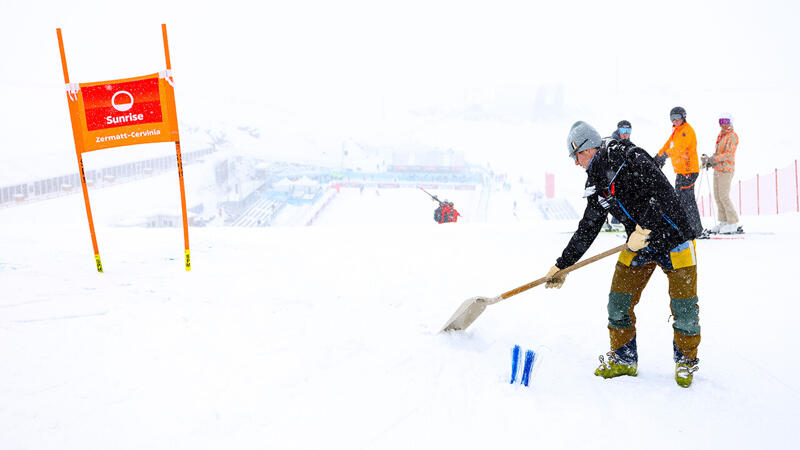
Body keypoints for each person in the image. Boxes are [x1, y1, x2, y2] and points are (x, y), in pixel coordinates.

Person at [545, 121, 701, 388]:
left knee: (684, 308)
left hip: (673, 238)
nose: (575, 163)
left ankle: (686, 361)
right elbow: (588, 227)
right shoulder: (596, 183)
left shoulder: (629, 158)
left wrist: (646, 226)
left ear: (588, 148)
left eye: (576, 156)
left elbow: (663, 194)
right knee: (618, 302)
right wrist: (563, 265)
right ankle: (624, 359)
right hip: (639, 245)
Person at [654, 106, 704, 237]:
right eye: (672, 118)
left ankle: (695, 229)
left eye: (677, 117)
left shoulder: (686, 131)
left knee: (686, 201)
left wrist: (665, 155)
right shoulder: (677, 130)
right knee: (680, 200)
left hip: (688, 171)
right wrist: (658, 156)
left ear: (683, 117)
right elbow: (668, 144)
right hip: (682, 171)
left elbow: (678, 149)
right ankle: (688, 227)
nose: (674, 120)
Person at [701, 113, 741, 234]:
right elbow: (718, 153)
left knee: (724, 196)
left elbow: (729, 154)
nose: (723, 124)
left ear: (731, 122)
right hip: (718, 169)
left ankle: (733, 222)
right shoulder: (721, 135)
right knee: (718, 197)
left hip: (726, 170)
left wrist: (714, 159)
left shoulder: (732, 136)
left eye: (726, 121)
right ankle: (724, 221)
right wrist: (709, 161)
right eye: (721, 121)